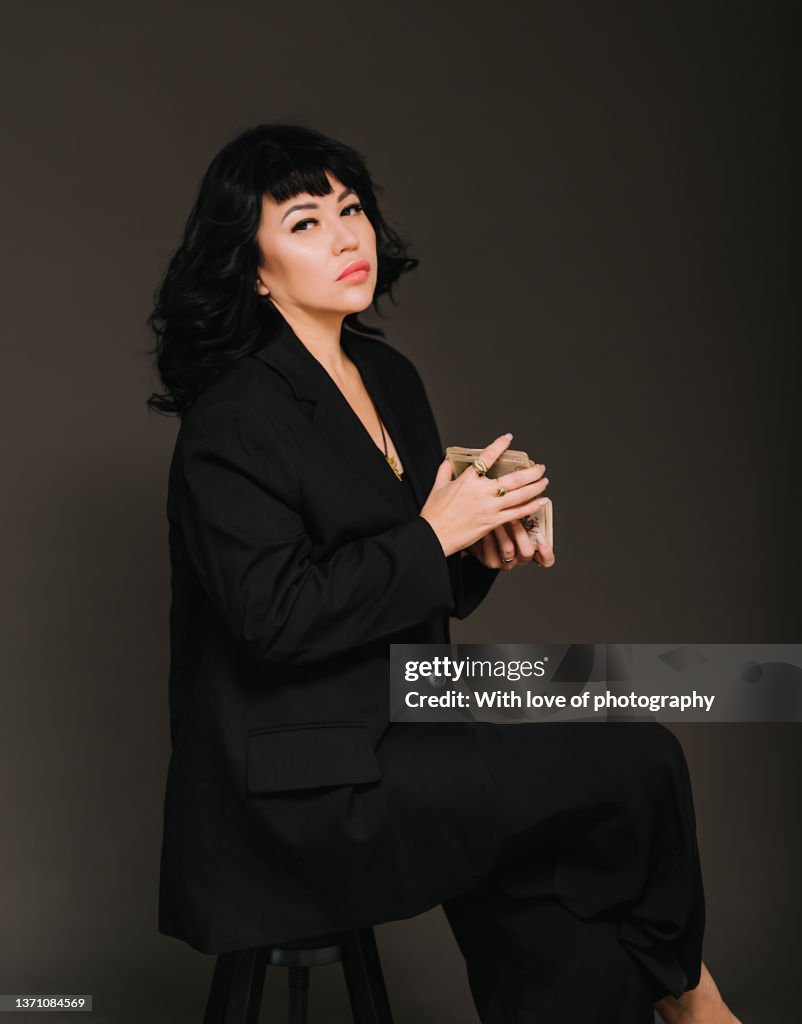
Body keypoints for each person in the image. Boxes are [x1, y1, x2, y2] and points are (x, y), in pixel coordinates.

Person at [148, 123, 741, 1023]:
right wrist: (435, 537)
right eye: (305, 223)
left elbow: (422, 587)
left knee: (612, 756)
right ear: (254, 270)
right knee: (632, 762)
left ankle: (655, 995)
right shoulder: (232, 420)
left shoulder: (389, 375)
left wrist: (478, 549)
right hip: (305, 778)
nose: (346, 237)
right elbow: (274, 618)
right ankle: (693, 999)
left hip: (409, 704)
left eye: (351, 210)